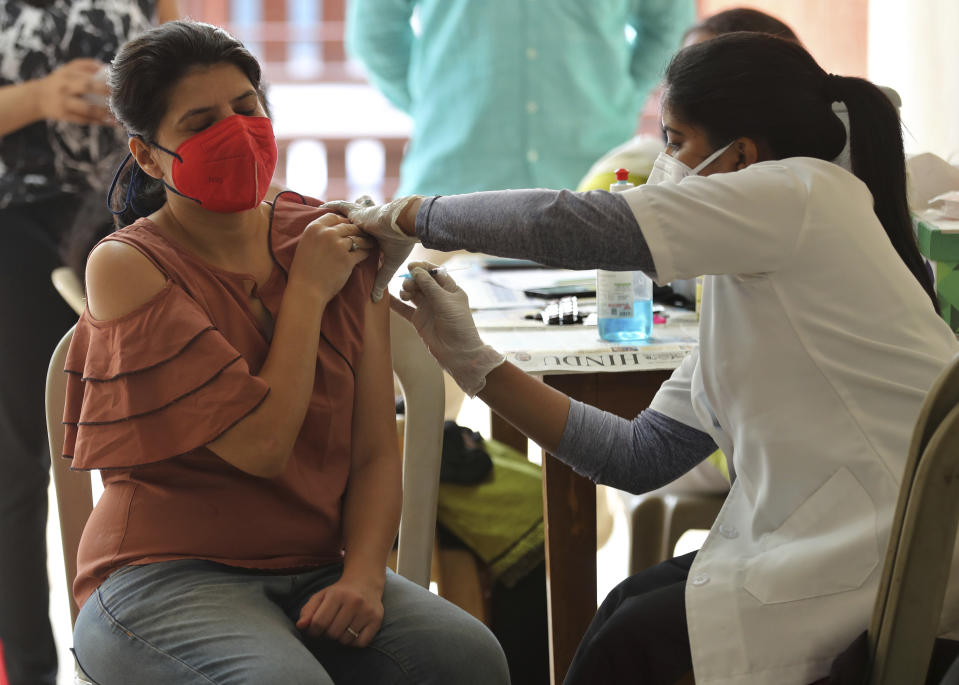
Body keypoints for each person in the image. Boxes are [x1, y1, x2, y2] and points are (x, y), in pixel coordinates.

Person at [328, 32, 959, 684]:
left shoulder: (800, 193)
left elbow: (572, 223)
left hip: (898, 550)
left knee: (630, 643)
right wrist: (471, 361)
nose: (663, 165)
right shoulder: (748, 285)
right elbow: (636, 455)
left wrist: (414, 215)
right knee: (624, 608)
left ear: (742, 156)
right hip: (834, 544)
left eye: (675, 140)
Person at [65, 20, 509, 685]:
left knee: (470, 658)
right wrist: (305, 292)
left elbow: (372, 449)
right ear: (149, 155)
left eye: (247, 109)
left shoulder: (333, 238)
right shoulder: (127, 265)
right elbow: (262, 447)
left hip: (318, 565)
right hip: (160, 574)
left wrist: (363, 576)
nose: (237, 133)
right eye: (201, 122)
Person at [0, 2, 175, 683]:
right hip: (14, 223)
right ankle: (33, 670)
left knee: (151, 446)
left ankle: (137, 655)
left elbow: (189, 74)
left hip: (129, 219)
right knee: (16, 468)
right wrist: (40, 98)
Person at [346, 0, 694, 196]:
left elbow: (670, 23)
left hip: (592, 178)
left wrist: (625, 95)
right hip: (453, 184)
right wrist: (430, 105)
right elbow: (375, 33)